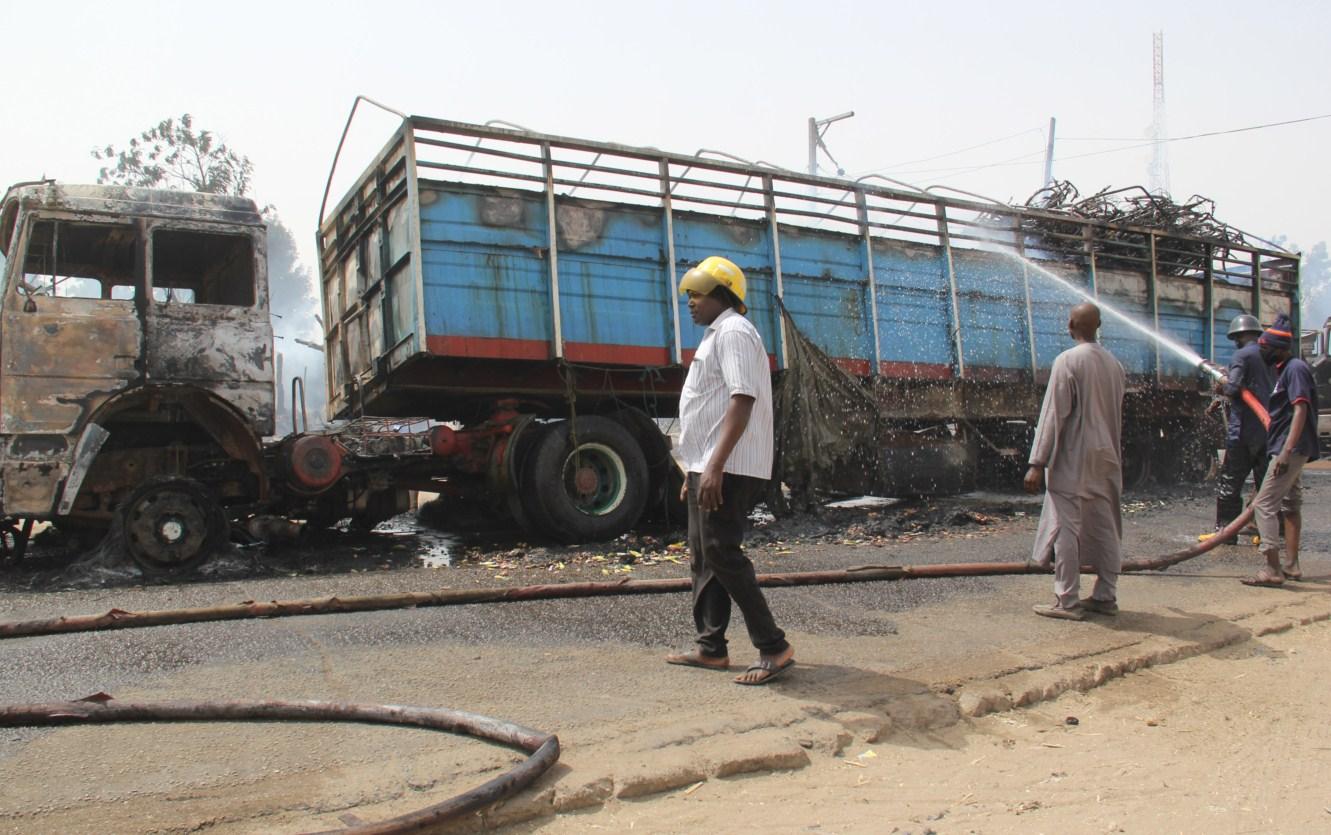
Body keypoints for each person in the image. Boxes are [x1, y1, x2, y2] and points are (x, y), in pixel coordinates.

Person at [664, 255, 794, 685]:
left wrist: (715, 466)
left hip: (732, 463)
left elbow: (742, 399)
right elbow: (709, 407)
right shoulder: (714, 335)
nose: (690, 302)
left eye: (697, 294)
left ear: (723, 295)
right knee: (705, 554)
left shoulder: (735, 332)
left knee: (721, 550)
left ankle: (773, 647)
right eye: (689, 295)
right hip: (713, 462)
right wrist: (695, 469)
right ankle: (710, 647)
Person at [1023, 302, 1127, 621]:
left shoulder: (1067, 361)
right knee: (1106, 523)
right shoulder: (1115, 365)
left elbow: (1054, 414)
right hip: (1107, 456)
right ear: (1099, 325)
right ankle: (1105, 595)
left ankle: (1067, 600)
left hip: (1074, 457)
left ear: (1070, 324)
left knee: (1066, 527)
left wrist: (1037, 463)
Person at [1241, 313, 1319, 587]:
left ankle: (1272, 569)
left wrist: (1285, 452)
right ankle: (1291, 565)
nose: (1261, 351)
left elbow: (1300, 409)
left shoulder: (1294, 369)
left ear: (1278, 348)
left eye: (1264, 347)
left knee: (1263, 505)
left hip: (1289, 449)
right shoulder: (1286, 369)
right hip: (1289, 447)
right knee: (1289, 504)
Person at [1199, 314, 1274, 544]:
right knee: (1265, 484)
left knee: (1230, 482)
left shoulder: (1242, 355)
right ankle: (1266, 532)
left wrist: (1223, 383)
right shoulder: (1269, 356)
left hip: (1243, 431)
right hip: (1267, 431)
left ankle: (1225, 531)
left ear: (1239, 336)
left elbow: (1233, 389)